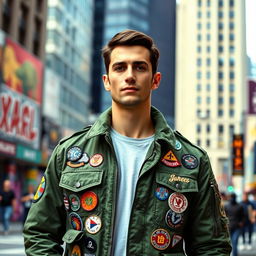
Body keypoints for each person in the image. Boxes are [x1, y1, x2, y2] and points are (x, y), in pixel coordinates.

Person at [23, 30, 231, 255]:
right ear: (106, 81)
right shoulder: (70, 152)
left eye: (140, 67)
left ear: (155, 80)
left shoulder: (192, 161)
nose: (130, 75)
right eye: (120, 67)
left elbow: (212, 247)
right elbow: (39, 233)